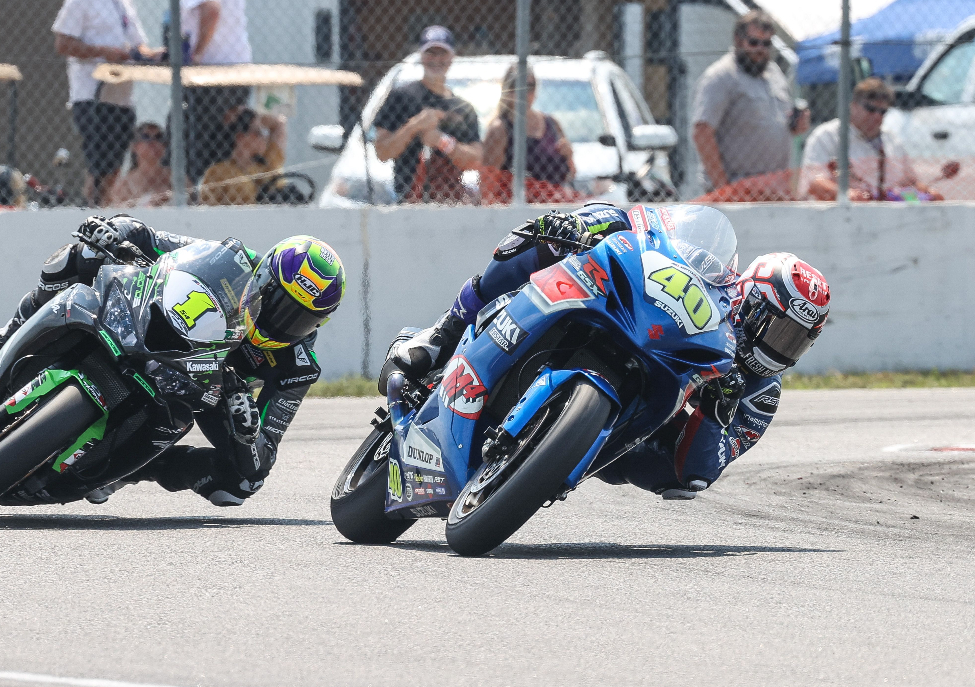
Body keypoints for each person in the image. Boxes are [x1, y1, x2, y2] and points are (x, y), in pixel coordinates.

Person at [389, 203, 830, 499]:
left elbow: (702, 471)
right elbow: (644, 225)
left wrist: (716, 411)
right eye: (779, 329)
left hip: (639, 436)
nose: (781, 347)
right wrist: (586, 226)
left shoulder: (761, 394)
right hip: (636, 326)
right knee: (546, 239)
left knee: (681, 483)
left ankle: (550, 459)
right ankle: (442, 334)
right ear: (752, 299)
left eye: (796, 340)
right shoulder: (716, 276)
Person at [0, 215, 345, 507]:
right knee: (76, 258)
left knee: (242, 485)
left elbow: (262, 457)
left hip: (208, 388)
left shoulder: (298, 367)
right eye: (275, 300)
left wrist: (248, 433)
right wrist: (114, 231)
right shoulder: (234, 259)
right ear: (265, 275)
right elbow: (152, 238)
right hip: (158, 326)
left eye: (300, 317)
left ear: (319, 322)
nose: (280, 320)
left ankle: (138, 470)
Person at [52, 0, 162, 207]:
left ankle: (104, 209)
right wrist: (102, 51)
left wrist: (154, 54)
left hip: (122, 98)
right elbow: (62, 43)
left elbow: (137, 46)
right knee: (98, 165)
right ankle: (93, 212)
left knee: (114, 165)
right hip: (92, 96)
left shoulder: (125, 4)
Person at [691, 10, 810, 199]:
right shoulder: (721, 76)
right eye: (754, 42)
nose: (760, 49)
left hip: (775, 191)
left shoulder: (774, 73)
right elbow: (702, 132)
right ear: (738, 41)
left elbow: (778, 124)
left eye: (766, 44)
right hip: (737, 192)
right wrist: (724, 190)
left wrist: (796, 125)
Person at [373, 25, 482, 203]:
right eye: (430, 53)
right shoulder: (401, 97)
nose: (436, 59)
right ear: (421, 56)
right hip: (408, 198)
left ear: (452, 57)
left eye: (442, 53)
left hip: (451, 200)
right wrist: (414, 126)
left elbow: (476, 159)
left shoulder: (463, 108)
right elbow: (382, 152)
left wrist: (442, 141)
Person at [800, 77, 941, 201]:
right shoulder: (827, 137)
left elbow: (910, 183)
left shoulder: (891, 140)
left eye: (882, 112)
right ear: (853, 106)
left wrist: (929, 193)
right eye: (870, 109)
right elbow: (814, 182)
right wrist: (845, 195)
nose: (877, 117)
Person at [176, 0, 253, 183]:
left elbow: (211, 9)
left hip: (211, 75)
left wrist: (197, 54)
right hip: (236, 71)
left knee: (192, 146)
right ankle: (214, 198)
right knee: (223, 145)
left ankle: (188, 200)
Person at [482, 64, 575, 185]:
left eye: (530, 87)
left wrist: (569, 155)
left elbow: (571, 174)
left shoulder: (552, 123)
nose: (524, 93)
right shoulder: (500, 129)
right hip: (517, 201)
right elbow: (488, 182)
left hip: (557, 200)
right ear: (508, 90)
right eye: (518, 86)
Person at [199, 107, 286, 205]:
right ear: (240, 137)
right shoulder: (218, 172)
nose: (264, 138)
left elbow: (279, 125)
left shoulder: (266, 166)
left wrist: (260, 117)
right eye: (258, 133)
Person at [106, 122, 172, 207]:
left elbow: (191, 200)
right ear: (134, 146)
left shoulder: (175, 178)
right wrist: (150, 201)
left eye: (158, 137)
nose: (153, 142)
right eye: (146, 137)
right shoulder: (125, 184)